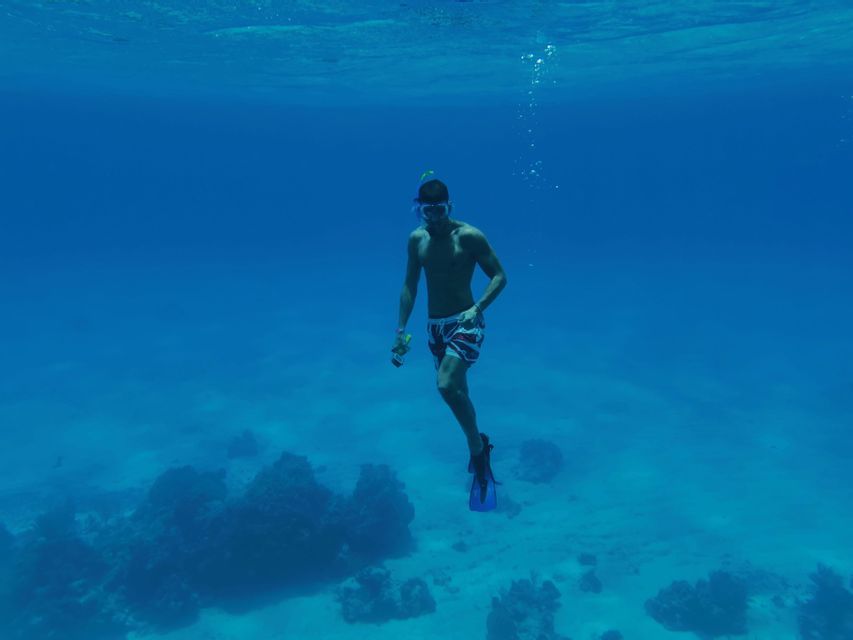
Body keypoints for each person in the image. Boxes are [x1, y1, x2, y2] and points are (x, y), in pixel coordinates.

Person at [391, 176, 508, 511]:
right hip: (434, 328)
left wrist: (478, 308)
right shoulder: (416, 240)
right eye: (427, 212)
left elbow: (500, 276)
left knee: (445, 385)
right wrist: (400, 332)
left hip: (466, 321)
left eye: (440, 210)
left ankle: (476, 449)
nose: (435, 218)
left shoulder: (469, 236)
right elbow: (409, 286)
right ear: (419, 211)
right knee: (459, 393)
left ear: (450, 207)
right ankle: (480, 444)